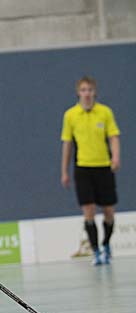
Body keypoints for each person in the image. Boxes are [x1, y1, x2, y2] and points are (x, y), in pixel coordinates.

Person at [61, 76, 120, 266]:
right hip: (83, 168)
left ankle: (106, 244)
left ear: (95, 92)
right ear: (78, 92)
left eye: (90, 90)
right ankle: (96, 251)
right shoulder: (70, 115)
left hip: (103, 166)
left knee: (109, 211)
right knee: (88, 210)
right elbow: (67, 144)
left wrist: (115, 157)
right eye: (83, 90)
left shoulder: (105, 112)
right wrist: (64, 171)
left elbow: (113, 136)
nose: (87, 94)